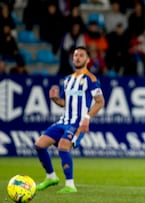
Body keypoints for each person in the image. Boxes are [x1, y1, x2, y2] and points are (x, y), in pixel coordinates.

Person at [34, 46, 105, 193]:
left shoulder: (90, 79)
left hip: (77, 123)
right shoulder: (67, 80)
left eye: (81, 55)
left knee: (63, 146)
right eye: (75, 55)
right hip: (64, 121)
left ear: (87, 60)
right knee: (40, 144)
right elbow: (65, 103)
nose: (77, 58)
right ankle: (51, 177)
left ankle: (70, 185)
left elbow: (100, 102)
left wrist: (87, 118)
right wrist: (54, 99)